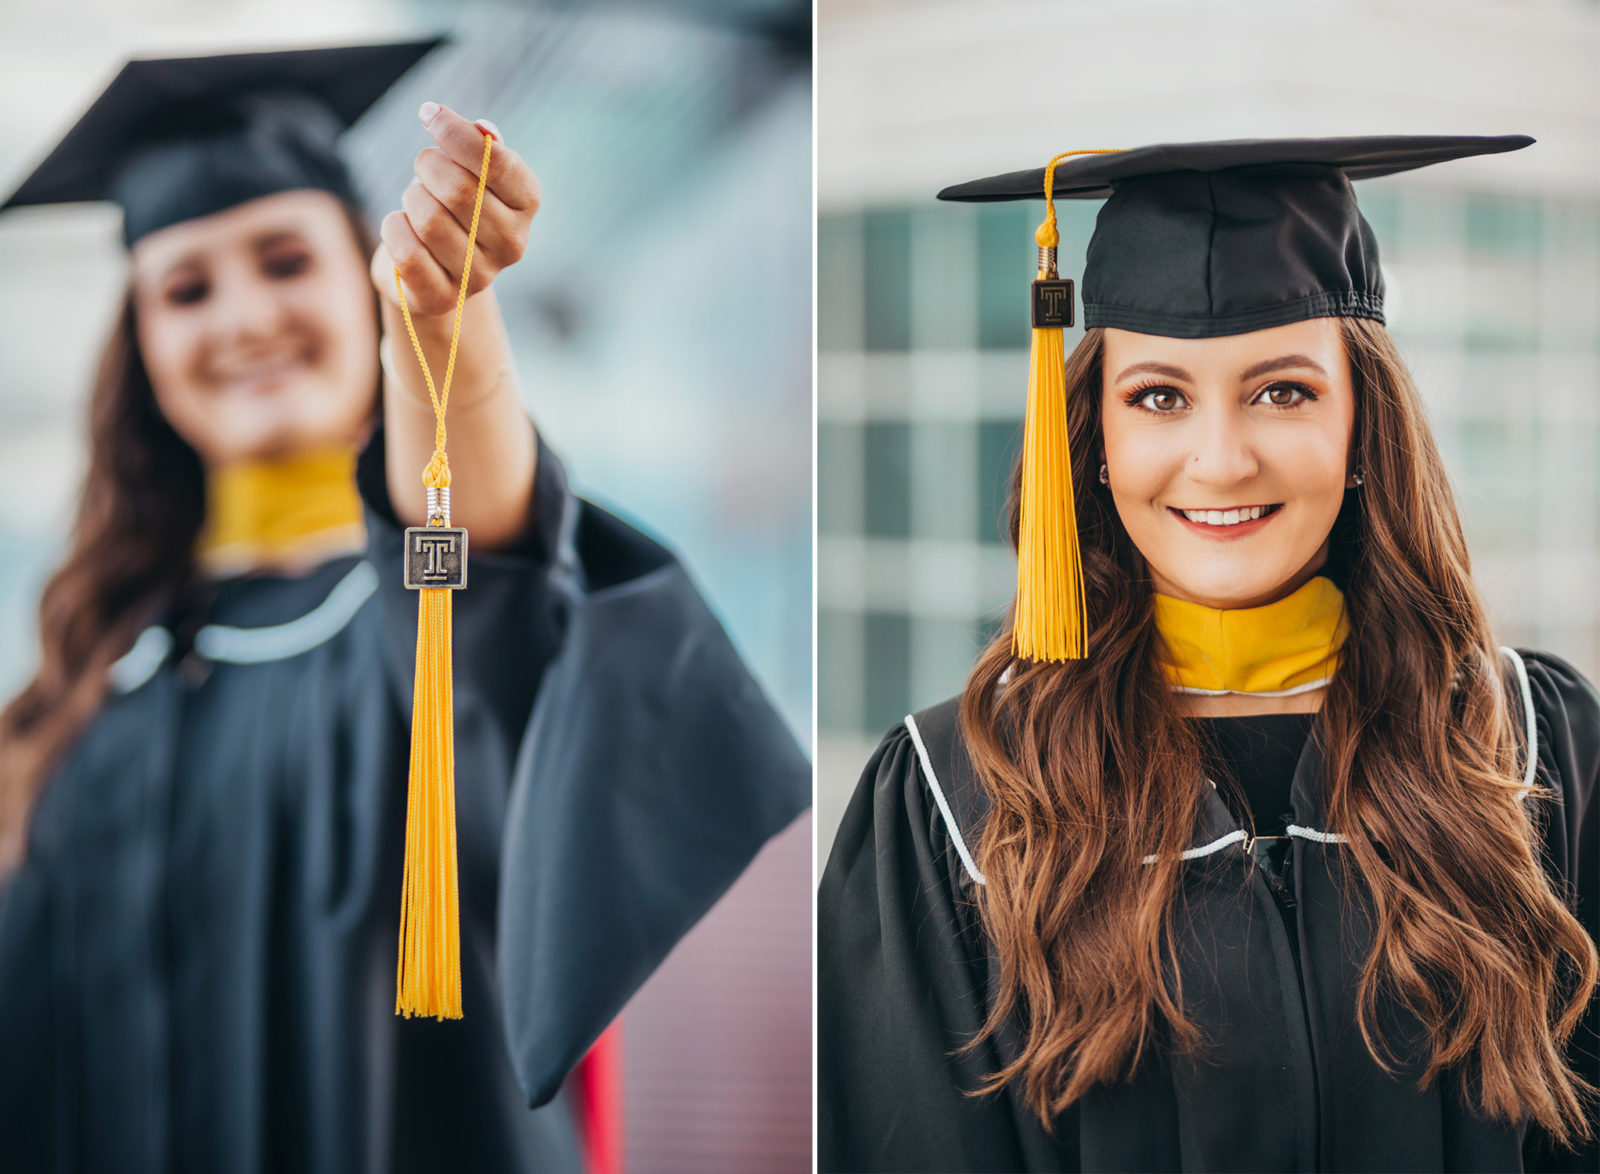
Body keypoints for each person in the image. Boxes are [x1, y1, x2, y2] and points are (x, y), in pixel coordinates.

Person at [0, 40, 810, 1173]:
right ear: (140, 345)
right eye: (186, 288)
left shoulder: (414, 621)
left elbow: (481, 557)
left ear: (358, 281)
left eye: (285, 261)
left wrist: (444, 329)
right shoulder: (97, 664)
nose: (240, 318)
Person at [818, 136, 1598, 1172]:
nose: (1221, 458)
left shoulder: (1532, 751)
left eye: (1283, 391)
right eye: (1157, 396)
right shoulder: (955, 801)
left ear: (1364, 420)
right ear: (1091, 435)